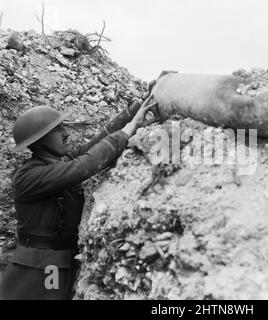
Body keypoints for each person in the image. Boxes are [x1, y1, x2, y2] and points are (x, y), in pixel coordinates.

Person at [0, 91, 158, 300]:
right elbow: (85, 164)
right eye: (57, 130)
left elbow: (93, 145)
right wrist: (129, 131)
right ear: (39, 142)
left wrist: (135, 108)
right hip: (42, 267)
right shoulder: (29, 175)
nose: (66, 133)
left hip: (55, 263)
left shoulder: (57, 161)